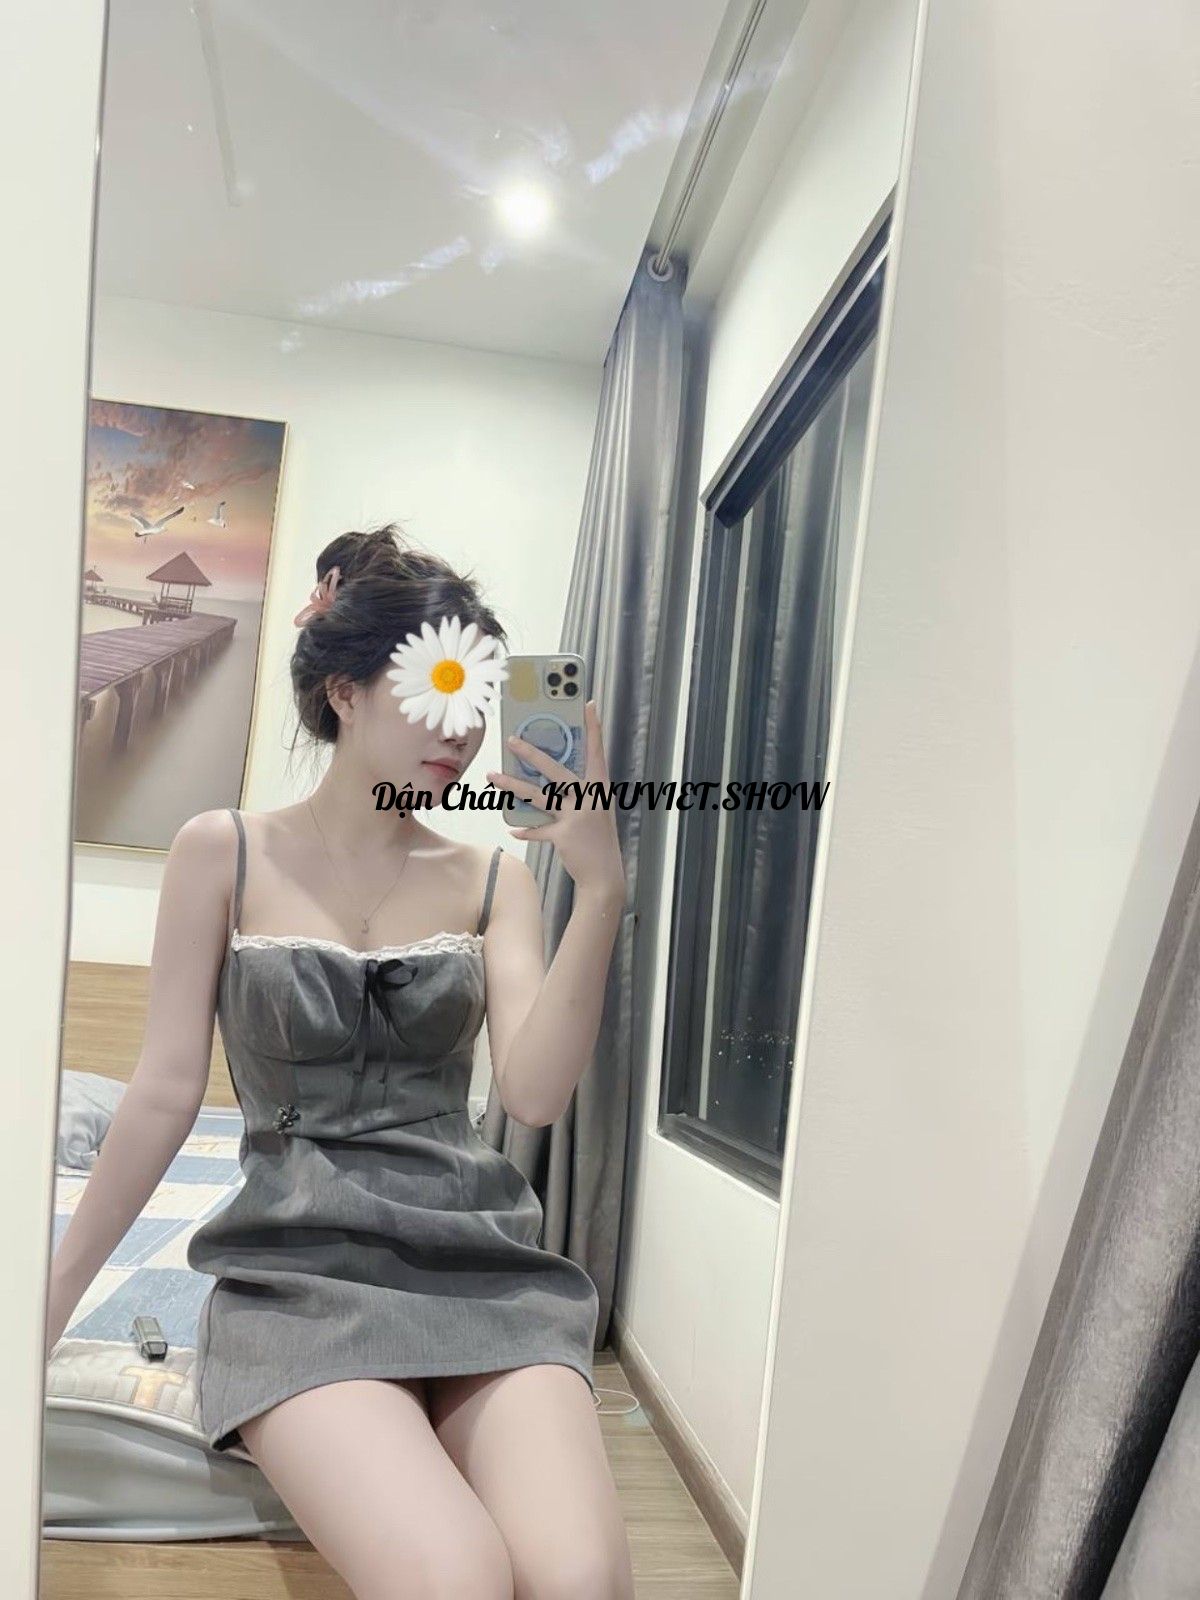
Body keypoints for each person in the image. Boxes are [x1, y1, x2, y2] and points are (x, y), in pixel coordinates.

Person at [45, 524, 633, 1600]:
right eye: (438, 686)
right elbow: (166, 1091)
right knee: (455, 1578)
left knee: (580, 1579)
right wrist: (49, 1300)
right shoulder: (221, 851)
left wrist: (599, 889)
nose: (464, 726)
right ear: (346, 690)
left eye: (481, 695)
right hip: (300, 1276)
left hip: (485, 1269)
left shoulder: (494, 880)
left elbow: (535, 1093)